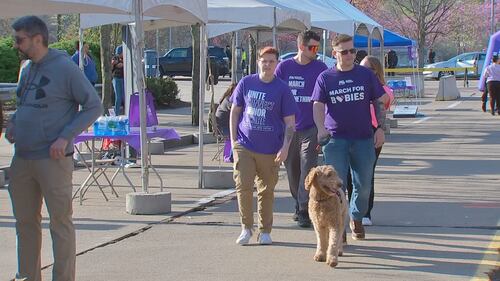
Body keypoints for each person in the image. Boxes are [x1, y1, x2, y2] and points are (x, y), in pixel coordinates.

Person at [6, 16, 103, 281]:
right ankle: (27, 276)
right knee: (25, 223)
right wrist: (13, 123)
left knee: (60, 223)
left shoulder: (66, 68)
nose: (15, 44)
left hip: (53, 159)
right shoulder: (26, 69)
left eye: (20, 39)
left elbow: (94, 106)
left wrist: (65, 136)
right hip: (22, 159)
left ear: (38, 39)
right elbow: (22, 104)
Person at [311, 34, 388, 241]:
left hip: (363, 138)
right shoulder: (325, 78)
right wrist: (320, 129)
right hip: (336, 139)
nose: (349, 55)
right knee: (337, 185)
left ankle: (356, 217)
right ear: (334, 53)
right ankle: (339, 224)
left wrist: (380, 127)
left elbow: (379, 101)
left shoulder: (365, 75)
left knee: (363, 185)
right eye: (344, 52)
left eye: (352, 51)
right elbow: (317, 105)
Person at [230, 46, 298, 245]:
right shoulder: (246, 83)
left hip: (271, 149)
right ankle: (245, 228)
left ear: (277, 64)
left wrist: (285, 147)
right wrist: (234, 142)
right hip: (244, 144)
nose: (267, 64)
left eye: (271, 61)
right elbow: (235, 112)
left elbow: (290, 123)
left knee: (266, 190)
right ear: (258, 62)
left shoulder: (282, 89)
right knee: (242, 186)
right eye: (264, 60)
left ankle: (265, 230)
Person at [275, 30, 327, 228]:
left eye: (317, 47)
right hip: (289, 129)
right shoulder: (284, 68)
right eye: (312, 47)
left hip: (311, 127)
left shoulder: (320, 68)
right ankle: (298, 202)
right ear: (301, 47)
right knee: (292, 170)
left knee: (308, 166)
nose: (316, 51)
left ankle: (305, 208)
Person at [346, 56, 394, 226]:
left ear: (376, 72)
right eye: (362, 68)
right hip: (350, 131)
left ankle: (365, 212)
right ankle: (353, 209)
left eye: (370, 69)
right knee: (348, 175)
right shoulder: (353, 85)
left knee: (365, 174)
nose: (365, 72)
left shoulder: (383, 90)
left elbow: (384, 101)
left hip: (372, 132)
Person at [112, 45, 125, 115]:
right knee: (118, 97)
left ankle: (125, 112)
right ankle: (116, 113)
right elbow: (113, 63)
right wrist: (115, 63)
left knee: (123, 97)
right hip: (117, 79)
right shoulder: (115, 58)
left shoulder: (125, 59)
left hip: (123, 79)